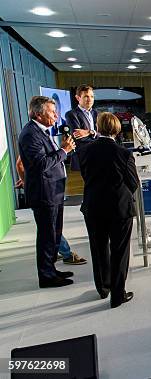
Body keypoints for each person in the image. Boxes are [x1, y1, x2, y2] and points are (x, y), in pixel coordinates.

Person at [79, 112, 138, 307]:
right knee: (120, 251)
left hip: (93, 206)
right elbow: (133, 182)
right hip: (119, 208)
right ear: (117, 129)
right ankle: (118, 295)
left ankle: (103, 289)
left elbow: (86, 176)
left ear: (98, 127)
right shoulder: (123, 153)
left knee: (98, 248)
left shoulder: (85, 151)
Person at [18, 96, 76, 288]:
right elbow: (40, 165)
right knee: (46, 236)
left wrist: (63, 151)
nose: (56, 115)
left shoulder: (41, 131)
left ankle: (51, 270)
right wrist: (64, 151)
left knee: (54, 234)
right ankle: (46, 276)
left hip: (53, 192)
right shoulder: (30, 134)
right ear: (38, 114)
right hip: (44, 194)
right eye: (52, 112)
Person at [15, 155, 86, 265]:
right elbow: (20, 164)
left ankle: (54, 252)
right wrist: (26, 181)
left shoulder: (42, 142)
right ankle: (65, 254)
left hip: (48, 190)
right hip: (45, 192)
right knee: (50, 227)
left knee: (49, 226)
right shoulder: (35, 141)